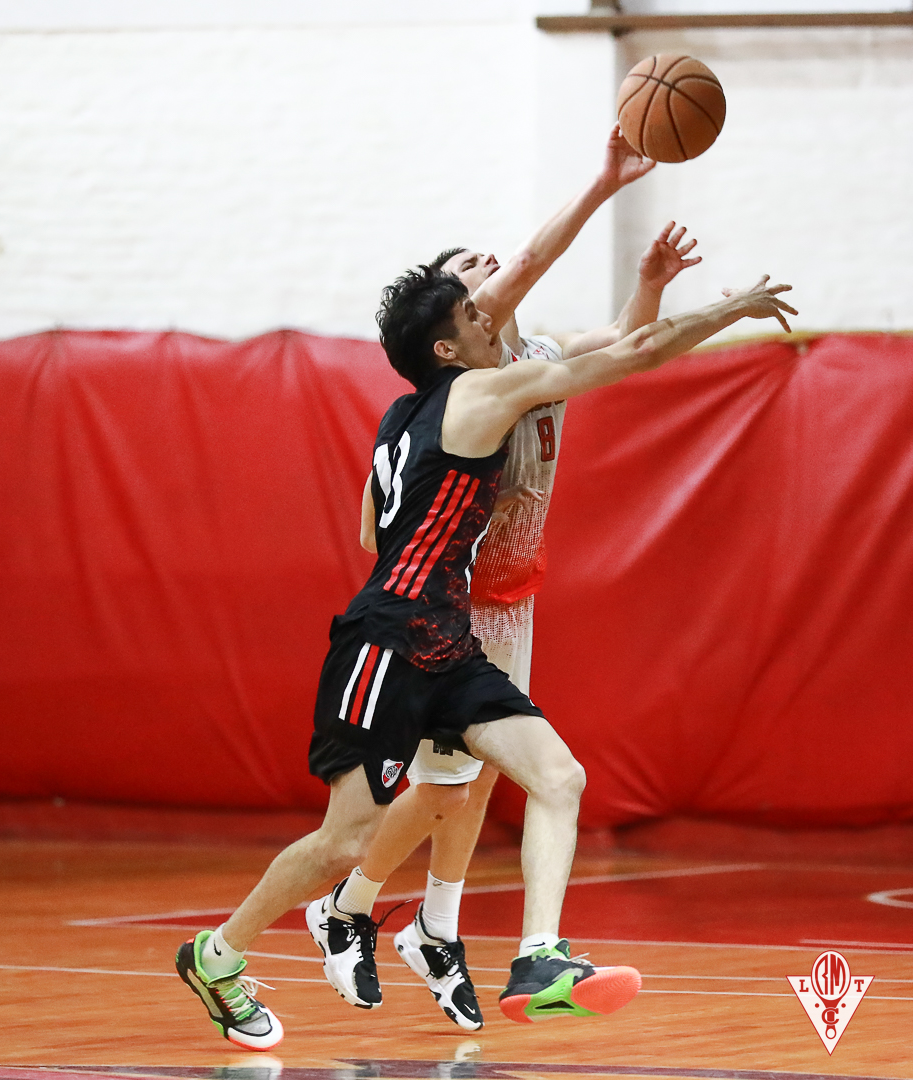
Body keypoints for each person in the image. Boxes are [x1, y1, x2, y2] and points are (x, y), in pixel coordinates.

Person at [175, 254, 796, 1050]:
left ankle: (538, 960)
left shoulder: (400, 416)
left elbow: (369, 531)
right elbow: (637, 351)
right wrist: (733, 309)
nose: (488, 316)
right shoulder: (479, 391)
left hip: (449, 640)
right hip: (388, 640)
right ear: (448, 349)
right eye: (473, 314)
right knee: (348, 839)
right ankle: (217, 954)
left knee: (558, 778)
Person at [312, 220, 703, 1031]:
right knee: (451, 787)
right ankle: (354, 905)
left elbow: (626, 338)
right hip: (452, 607)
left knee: (476, 784)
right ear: (459, 314)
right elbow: (372, 532)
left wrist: (652, 285)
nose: (484, 262)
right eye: (465, 268)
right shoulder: (452, 397)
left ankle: (434, 926)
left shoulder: (539, 356)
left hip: (514, 600)